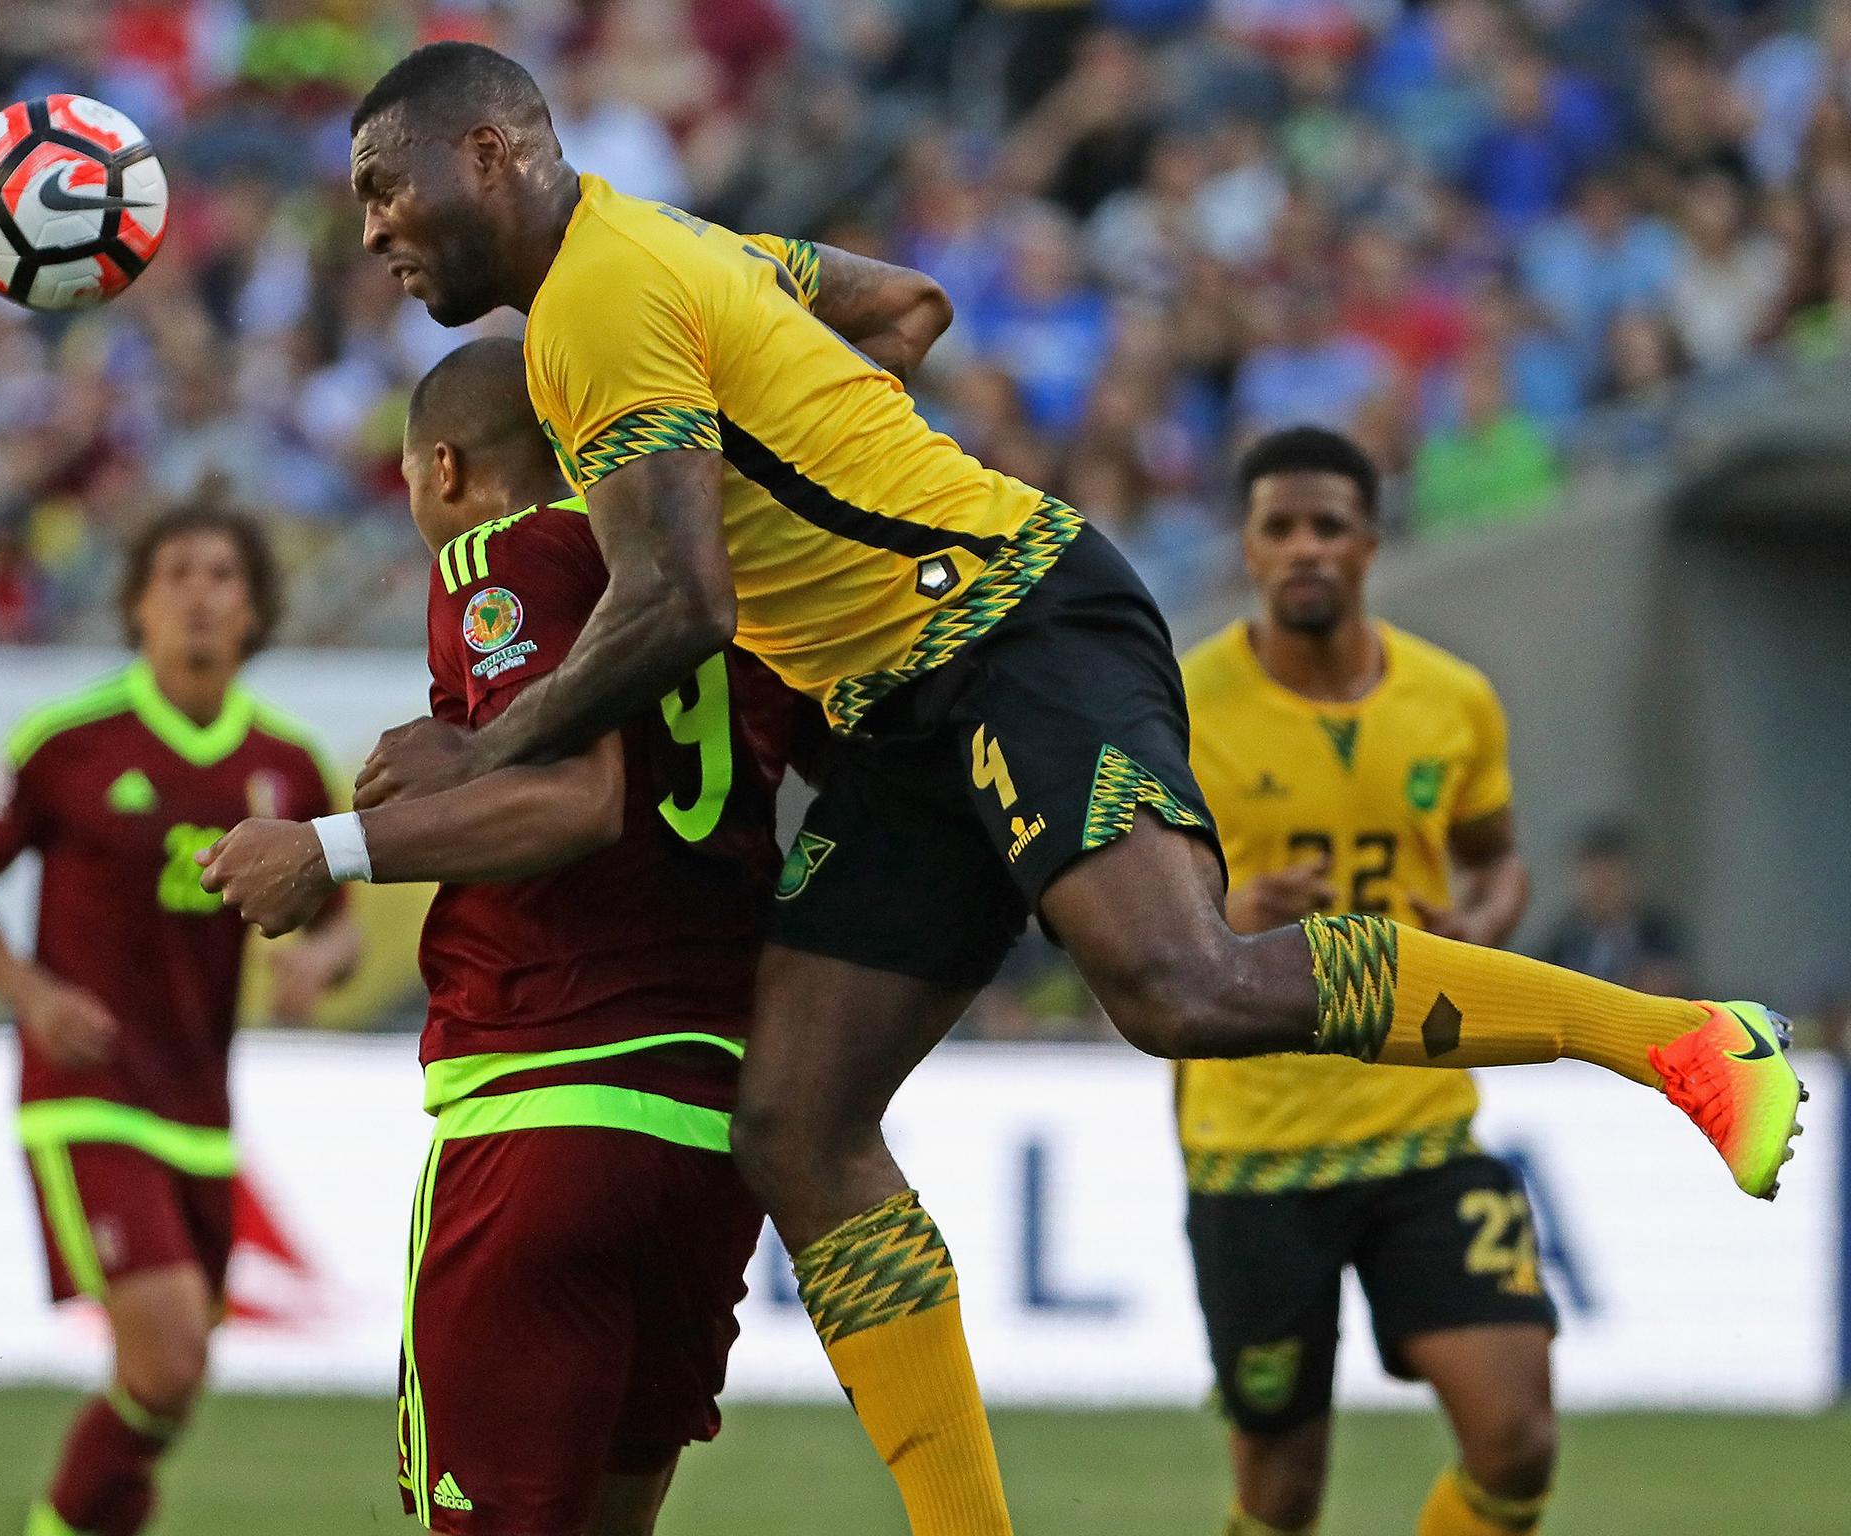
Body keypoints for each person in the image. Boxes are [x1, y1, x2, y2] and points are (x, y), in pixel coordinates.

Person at [340, 41, 1803, 1536]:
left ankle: (1680, 1043)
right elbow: (906, 306)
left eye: (388, 188)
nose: (375, 229)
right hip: (903, 696)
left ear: (495, 154)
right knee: (789, 1123)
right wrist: (804, 449)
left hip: (1009, 613)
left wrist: (485, 744)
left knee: (1180, 986)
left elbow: (679, 603)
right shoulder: (682, 247)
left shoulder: (596, 301)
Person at [197, 336, 801, 1534]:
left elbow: (576, 801)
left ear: (447, 468)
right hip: (710, 1132)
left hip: (545, 1104)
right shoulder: (700, 586)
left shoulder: (507, 550)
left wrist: (329, 851)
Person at [0, 506, 359, 1536]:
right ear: (137, 604)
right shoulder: (69, 744)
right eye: (175, 573)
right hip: (84, 1093)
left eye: (221, 574)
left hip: (201, 1107)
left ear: (254, 608)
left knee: (169, 1386)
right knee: (165, 1361)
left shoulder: (288, 768)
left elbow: (339, 927)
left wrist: (314, 967)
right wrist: (30, 992)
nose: (199, 592)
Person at [1179, 427, 1557, 1536]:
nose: (1305, 549)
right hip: (1253, 1149)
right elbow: (1123, 916)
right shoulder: (1182, 707)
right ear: (1244, 549)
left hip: (1426, 1128)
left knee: (1517, 1442)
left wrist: (1478, 922)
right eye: (1279, 528)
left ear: (1369, 543)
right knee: (1281, 1492)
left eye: (1328, 526)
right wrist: (1230, 918)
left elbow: (1495, 857)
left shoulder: (1453, 699)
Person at [1537, 822, 1693, 997]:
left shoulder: (1659, 937)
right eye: (1593, 878)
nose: (1601, 888)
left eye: (1611, 878)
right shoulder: (1559, 945)